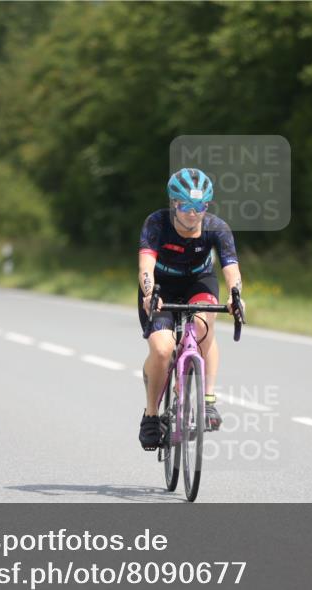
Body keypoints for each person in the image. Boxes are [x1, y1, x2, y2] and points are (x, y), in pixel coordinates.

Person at [137, 168, 244, 449]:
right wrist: (149, 293)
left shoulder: (217, 228)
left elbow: (231, 268)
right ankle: (151, 415)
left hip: (199, 281)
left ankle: (207, 400)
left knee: (202, 325)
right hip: (161, 286)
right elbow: (146, 266)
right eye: (186, 206)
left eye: (200, 206)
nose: (193, 213)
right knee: (162, 350)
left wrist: (235, 295)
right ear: (174, 203)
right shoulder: (156, 223)